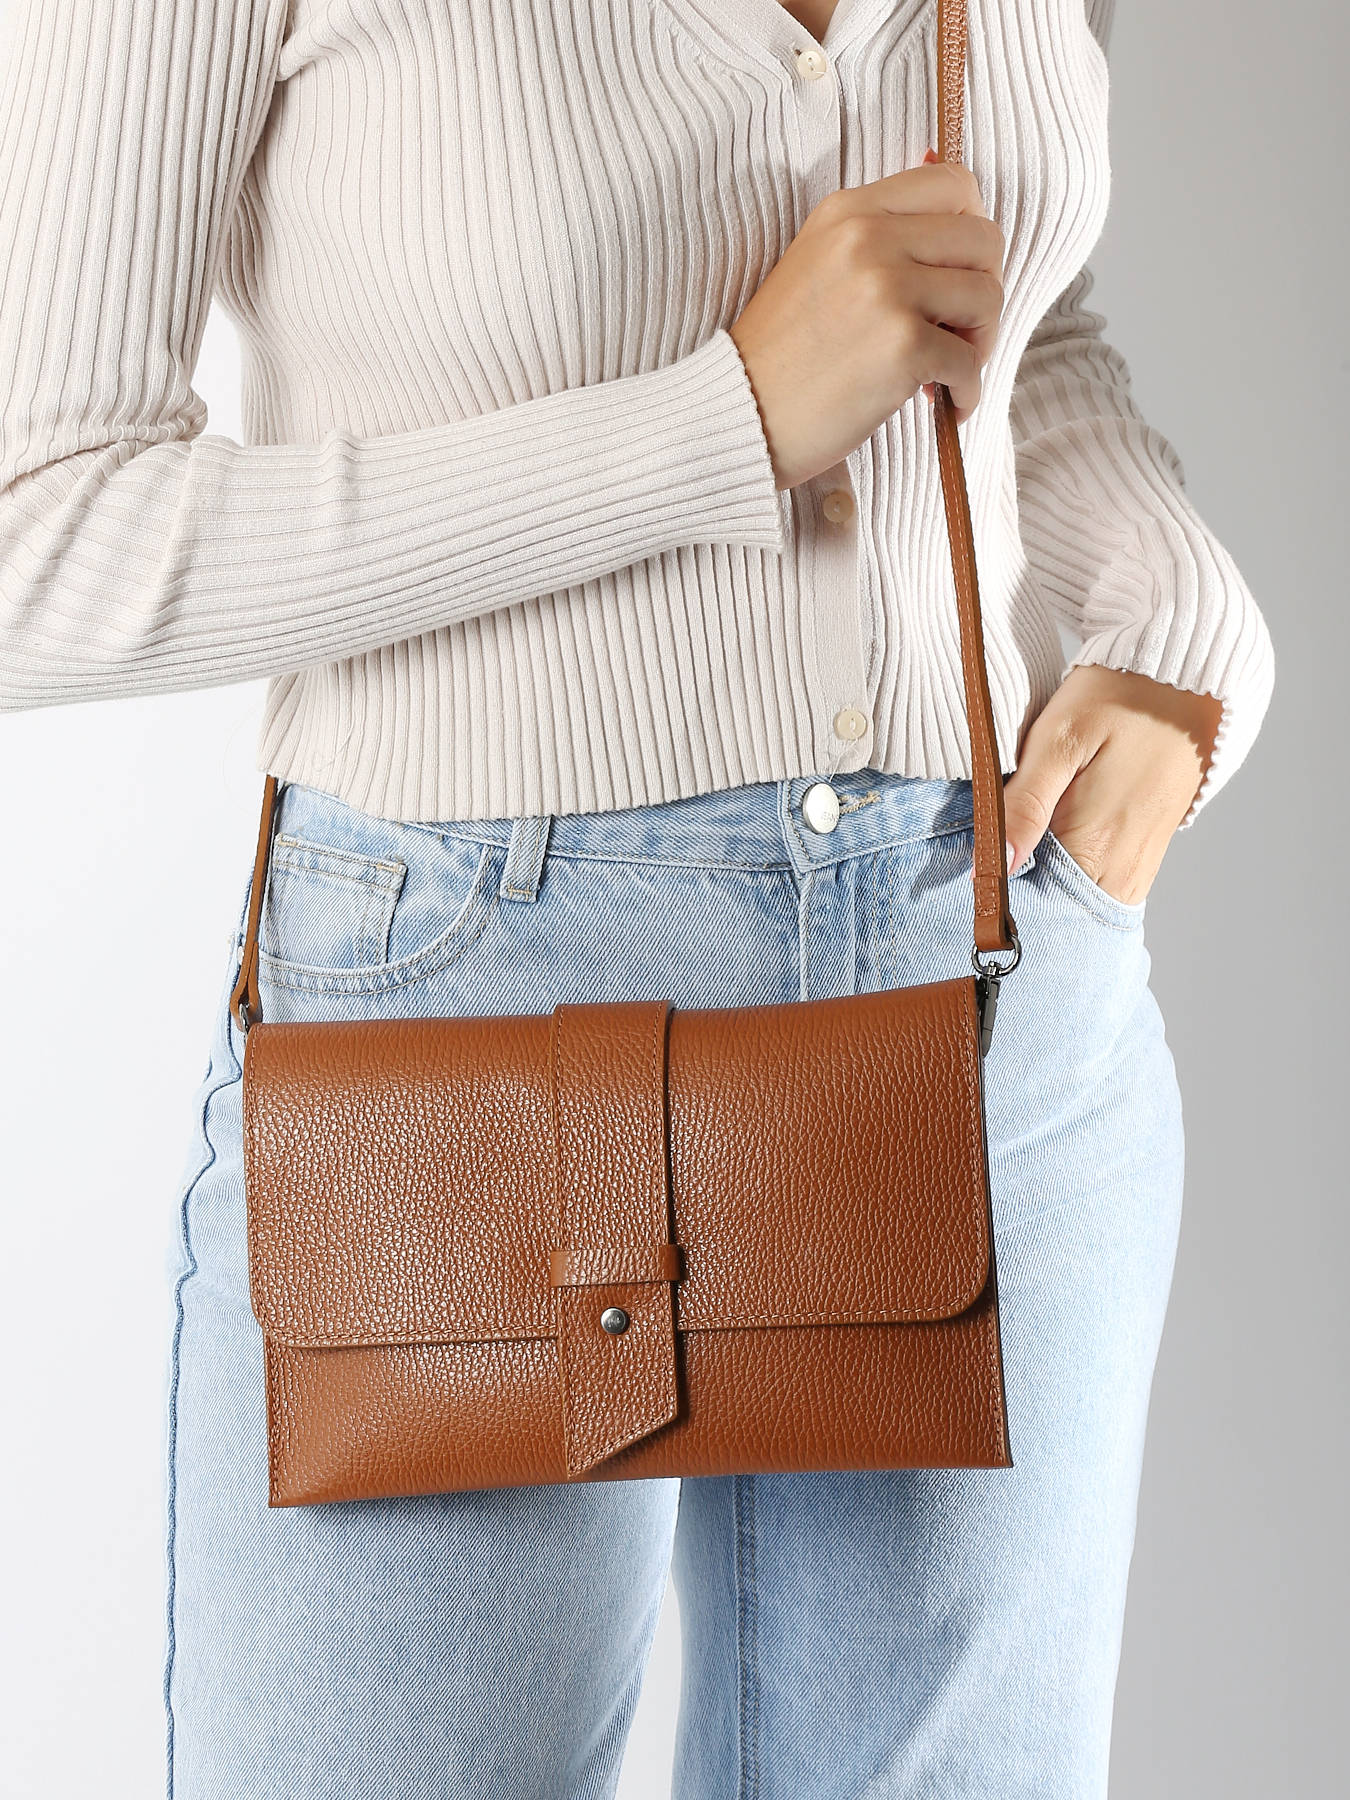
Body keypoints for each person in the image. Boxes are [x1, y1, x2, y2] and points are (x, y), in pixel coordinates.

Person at [0, 0, 1274, 1795]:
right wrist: (717, 425)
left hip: (977, 989)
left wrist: (1178, 626)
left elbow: (1013, 306)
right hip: (454, 1047)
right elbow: (35, 532)